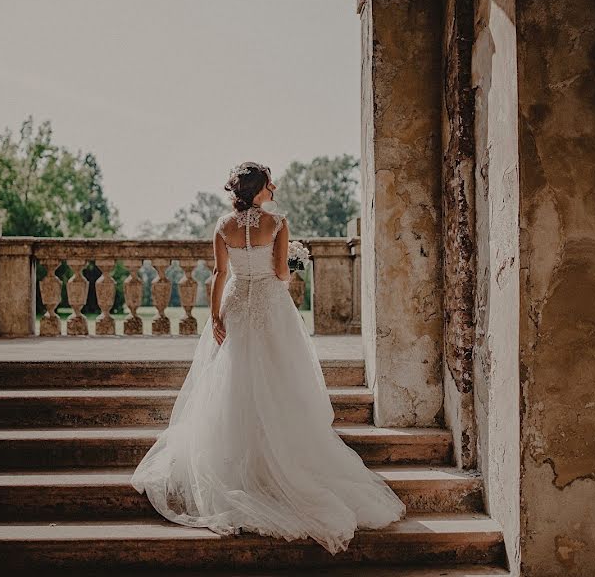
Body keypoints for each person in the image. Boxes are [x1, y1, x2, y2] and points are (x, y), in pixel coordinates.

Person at [131, 161, 406, 554]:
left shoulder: (223, 226)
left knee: (231, 382)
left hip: (235, 307)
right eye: (269, 182)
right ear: (260, 190)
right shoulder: (277, 223)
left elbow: (219, 275)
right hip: (271, 308)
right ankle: (277, 458)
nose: (274, 187)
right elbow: (280, 274)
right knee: (279, 378)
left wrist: (214, 316)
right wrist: (294, 262)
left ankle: (234, 463)